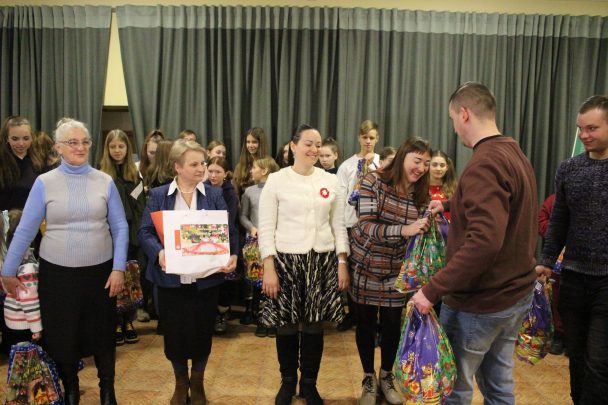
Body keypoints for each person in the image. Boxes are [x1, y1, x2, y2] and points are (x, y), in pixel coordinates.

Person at [411, 82, 538, 405]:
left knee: (454, 389)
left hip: (481, 301)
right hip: (513, 295)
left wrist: (432, 290)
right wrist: (450, 204)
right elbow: (504, 204)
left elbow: (484, 242)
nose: (455, 128)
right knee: (499, 386)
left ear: (464, 114)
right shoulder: (512, 151)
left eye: (453, 119)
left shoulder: (484, 163)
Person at [1, 119, 128, 405]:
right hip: (57, 275)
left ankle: (107, 390)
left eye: (85, 142)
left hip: (100, 273)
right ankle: (70, 388)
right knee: (63, 335)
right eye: (72, 142)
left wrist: (119, 267)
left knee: (103, 334)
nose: (80, 147)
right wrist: (8, 270)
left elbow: (120, 227)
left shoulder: (104, 181)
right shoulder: (44, 183)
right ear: (58, 147)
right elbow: (26, 229)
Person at [138, 140, 238, 405]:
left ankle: (198, 381)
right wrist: (158, 252)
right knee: (174, 335)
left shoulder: (214, 195)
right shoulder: (159, 195)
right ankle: (181, 383)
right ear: (178, 167)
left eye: (202, 163)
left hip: (205, 280)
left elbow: (229, 231)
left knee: (203, 333)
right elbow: (145, 231)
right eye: (194, 164)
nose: (201, 169)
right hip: (170, 280)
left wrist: (233, 255)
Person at [258, 124, 349, 405]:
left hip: (321, 261)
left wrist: (342, 260)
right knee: (285, 325)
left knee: (314, 327)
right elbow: (265, 227)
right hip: (285, 261)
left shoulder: (330, 181)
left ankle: (309, 384)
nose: (314, 149)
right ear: (293, 146)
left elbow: (338, 224)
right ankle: (287, 382)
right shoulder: (276, 180)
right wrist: (268, 266)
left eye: (318, 144)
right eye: (308, 143)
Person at [535, 95, 608, 405]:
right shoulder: (569, 169)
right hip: (573, 279)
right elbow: (559, 220)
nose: (583, 135)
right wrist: (546, 260)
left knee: (599, 361)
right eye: (580, 128)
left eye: (592, 128)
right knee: (575, 356)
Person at [350, 138, 432, 405]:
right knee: (364, 324)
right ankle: (368, 378)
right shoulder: (373, 181)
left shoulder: (422, 196)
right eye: (417, 161)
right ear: (402, 157)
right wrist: (404, 230)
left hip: (397, 271)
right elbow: (365, 226)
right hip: (366, 266)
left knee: (392, 325)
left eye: (426, 163)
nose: (421, 168)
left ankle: (386, 375)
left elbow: (420, 235)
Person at [99, 129, 147, 344]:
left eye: (121, 146)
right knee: (113, 280)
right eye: (113, 147)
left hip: (131, 238)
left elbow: (140, 209)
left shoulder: (135, 177)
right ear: (107, 149)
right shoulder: (102, 177)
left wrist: (136, 238)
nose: (117, 150)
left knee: (131, 280)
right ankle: (115, 322)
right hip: (109, 237)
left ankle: (128, 321)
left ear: (128, 149)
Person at [335, 119, 380, 332]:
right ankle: (353, 313)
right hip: (352, 223)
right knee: (353, 270)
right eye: (364, 137)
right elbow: (341, 196)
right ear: (359, 138)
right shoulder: (347, 165)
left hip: (376, 225)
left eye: (372, 137)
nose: (368, 141)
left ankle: (374, 317)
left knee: (373, 270)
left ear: (377, 139)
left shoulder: (382, 162)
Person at [239, 157, 280, 337]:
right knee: (257, 282)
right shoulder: (249, 192)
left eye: (254, 167)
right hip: (255, 244)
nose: (251, 170)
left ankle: (273, 319)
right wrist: (252, 228)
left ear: (264, 171)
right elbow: (243, 216)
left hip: (276, 243)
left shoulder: (279, 190)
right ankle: (260, 319)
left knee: (275, 280)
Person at [205, 156, 239, 335]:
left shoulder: (229, 193)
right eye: (210, 171)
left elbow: (229, 220)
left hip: (223, 239)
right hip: (204, 241)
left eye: (217, 172)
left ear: (225, 174)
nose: (213, 175)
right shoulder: (201, 189)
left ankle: (222, 314)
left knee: (224, 282)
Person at [1, 209, 42, 352]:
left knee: (16, 359)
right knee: (27, 362)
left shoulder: (9, 262)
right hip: (24, 323)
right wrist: (36, 328)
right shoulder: (29, 266)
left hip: (12, 319)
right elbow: (29, 300)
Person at [0, 116, 45, 211]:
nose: (21, 143)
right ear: (7, 138)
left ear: (32, 138)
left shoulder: (39, 162)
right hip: (6, 219)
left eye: (26, 138)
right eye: (15, 139)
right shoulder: (2, 163)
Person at [233, 127, 270, 196]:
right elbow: (236, 192)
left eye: (254, 142)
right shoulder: (240, 166)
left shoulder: (270, 164)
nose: (250, 145)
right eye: (248, 142)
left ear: (261, 143)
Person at [429, 150, 458, 221]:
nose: (438, 169)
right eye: (434, 165)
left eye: (442, 165)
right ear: (428, 165)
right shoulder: (420, 188)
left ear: (447, 167)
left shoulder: (455, 188)